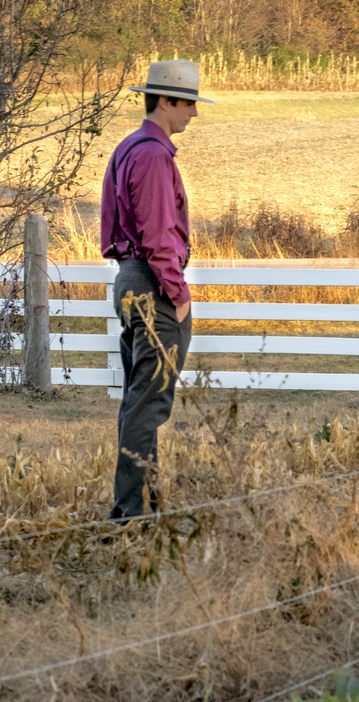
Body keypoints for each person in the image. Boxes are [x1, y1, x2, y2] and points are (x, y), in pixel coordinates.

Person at [100, 59, 214, 520]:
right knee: (149, 406)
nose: (193, 113)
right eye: (188, 104)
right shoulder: (151, 156)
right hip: (152, 283)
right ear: (165, 101)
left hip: (132, 278)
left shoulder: (131, 148)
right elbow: (158, 233)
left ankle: (144, 505)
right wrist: (179, 293)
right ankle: (132, 515)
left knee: (140, 402)